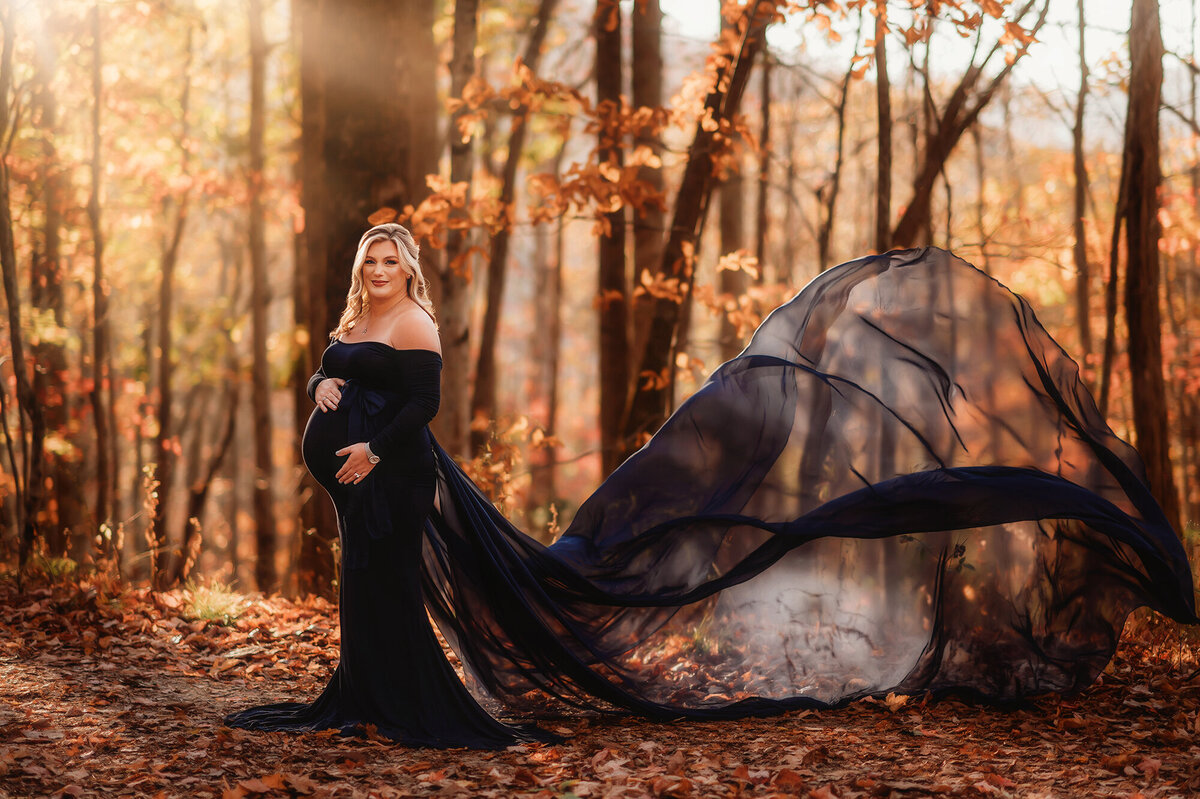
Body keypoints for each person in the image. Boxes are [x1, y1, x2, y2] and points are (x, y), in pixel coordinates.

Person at [227, 226, 1197, 749]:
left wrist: (369, 451)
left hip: (396, 478)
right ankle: (359, 696)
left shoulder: (420, 329)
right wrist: (324, 385)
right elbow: (335, 371)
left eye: (394, 259)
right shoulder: (360, 317)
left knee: (392, 586)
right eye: (374, 260)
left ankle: (408, 707)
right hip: (355, 486)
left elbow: (418, 411)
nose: (384, 269)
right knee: (361, 590)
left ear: (411, 270)